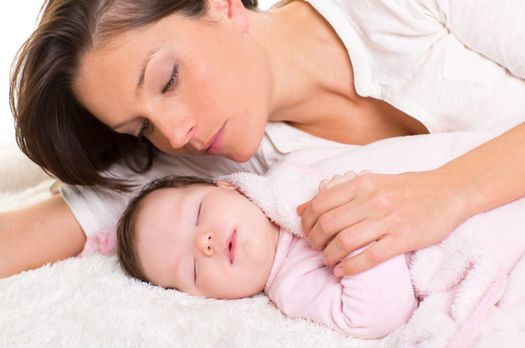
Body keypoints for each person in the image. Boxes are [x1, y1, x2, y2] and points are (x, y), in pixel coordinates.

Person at [3, 0, 525, 279]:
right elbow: (52, 225)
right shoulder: (208, 169)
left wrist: (449, 191)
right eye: (141, 127)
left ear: (223, 6)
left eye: (168, 80)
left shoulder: (396, 10)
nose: (174, 132)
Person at [116, 175, 417, 339]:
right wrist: (353, 230)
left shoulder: (291, 174)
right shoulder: (294, 285)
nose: (203, 242)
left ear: (228, 186)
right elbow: (378, 315)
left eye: (198, 213)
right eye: (192, 269)